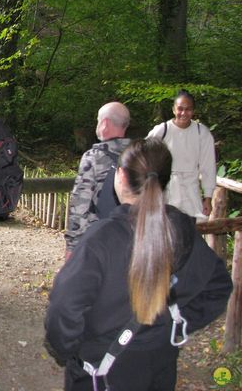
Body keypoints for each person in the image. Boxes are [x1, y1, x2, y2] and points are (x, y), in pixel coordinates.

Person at [45, 138, 232, 391]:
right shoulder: (181, 229)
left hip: (102, 372)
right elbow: (218, 287)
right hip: (160, 364)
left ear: (120, 176)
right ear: (165, 180)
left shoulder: (101, 239)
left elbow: (63, 308)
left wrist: (70, 349)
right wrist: (177, 324)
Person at [65, 102, 131, 259]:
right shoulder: (142, 155)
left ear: (105, 123)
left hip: (100, 241)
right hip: (134, 239)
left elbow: (80, 206)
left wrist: (72, 247)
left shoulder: (94, 157)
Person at [147, 89, 216, 221]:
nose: (183, 113)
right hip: (166, 190)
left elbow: (208, 166)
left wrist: (208, 197)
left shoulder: (202, 133)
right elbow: (143, 154)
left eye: (188, 109)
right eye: (180, 109)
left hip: (191, 191)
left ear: (193, 110)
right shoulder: (162, 130)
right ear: (174, 109)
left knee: (192, 230)